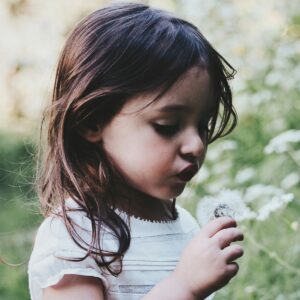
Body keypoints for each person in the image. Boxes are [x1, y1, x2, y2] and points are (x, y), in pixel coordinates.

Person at [28, 2, 244, 300]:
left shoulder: (185, 225)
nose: (196, 145)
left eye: (203, 125)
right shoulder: (73, 237)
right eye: (167, 125)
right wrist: (183, 287)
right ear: (92, 120)